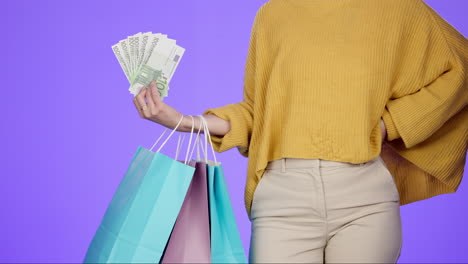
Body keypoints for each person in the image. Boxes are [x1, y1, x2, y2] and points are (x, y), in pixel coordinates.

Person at [132, 0, 467, 263]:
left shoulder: (394, 8)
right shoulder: (273, 15)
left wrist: (389, 124)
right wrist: (185, 121)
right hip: (282, 202)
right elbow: (258, 114)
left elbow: (459, 69)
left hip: (363, 197)